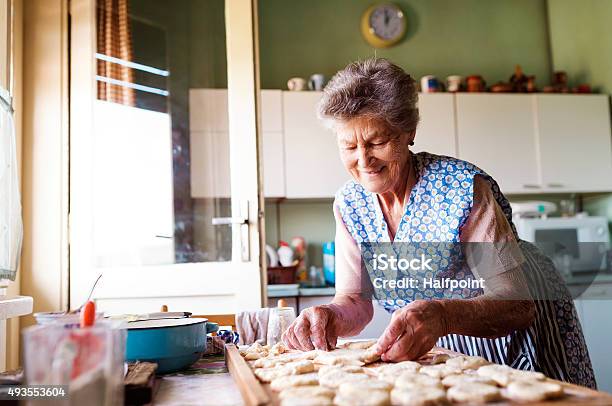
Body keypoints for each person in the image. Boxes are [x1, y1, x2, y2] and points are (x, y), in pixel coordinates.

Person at [281, 58, 595, 388]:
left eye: (376, 142)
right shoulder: (349, 204)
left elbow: (515, 303)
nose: (363, 160)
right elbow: (355, 301)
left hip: (519, 317)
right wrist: (329, 315)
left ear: (408, 132)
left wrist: (442, 315)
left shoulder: (462, 188)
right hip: (447, 336)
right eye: (348, 146)